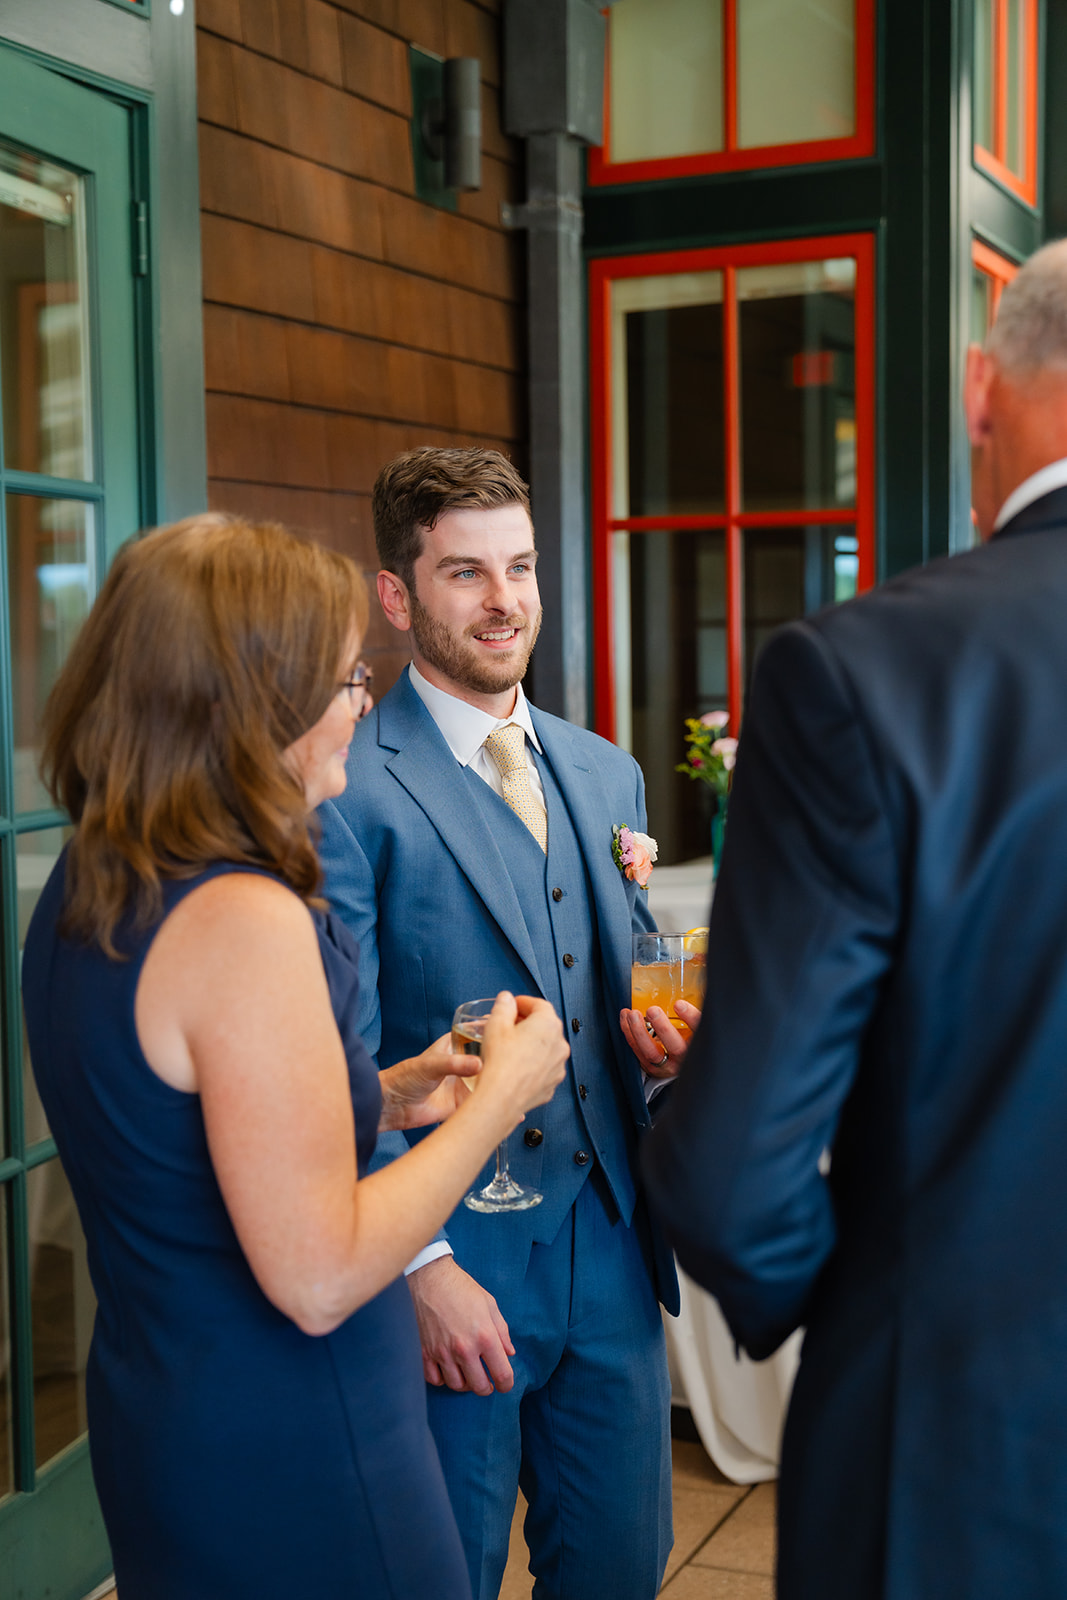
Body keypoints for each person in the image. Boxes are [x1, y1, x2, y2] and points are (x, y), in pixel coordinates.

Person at [21, 513, 569, 1600]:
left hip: (164, 1406)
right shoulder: (245, 917)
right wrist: (494, 1101)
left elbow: (177, 1127)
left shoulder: (90, 876)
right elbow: (317, 1273)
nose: (361, 709)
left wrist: (386, 1094)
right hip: (303, 1431)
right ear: (253, 704)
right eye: (344, 681)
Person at [644, 236, 1067, 1600]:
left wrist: (865, 1308)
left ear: (979, 394)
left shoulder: (866, 675)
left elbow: (727, 1174)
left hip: (956, 1455)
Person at [317, 447, 688, 1600]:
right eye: (466, 573)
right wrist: (419, 1268)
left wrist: (667, 1055)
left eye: (519, 568)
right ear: (397, 594)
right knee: (447, 1576)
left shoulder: (604, 770)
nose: (504, 601)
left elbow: (619, 980)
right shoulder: (345, 788)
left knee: (620, 1568)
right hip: (452, 1269)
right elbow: (336, 1062)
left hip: (615, 1251)